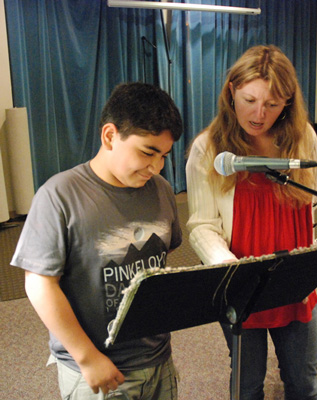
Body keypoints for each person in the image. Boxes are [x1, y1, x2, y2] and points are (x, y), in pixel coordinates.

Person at [11, 82, 183, 400]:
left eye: (164, 155)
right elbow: (39, 284)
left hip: (158, 360)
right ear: (109, 136)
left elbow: (159, 265)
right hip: (97, 369)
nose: (157, 166)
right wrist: (88, 358)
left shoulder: (161, 189)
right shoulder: (59, 195)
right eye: (148, 152)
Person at [186, 45, 317, 400]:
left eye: (273, 104)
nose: (259, 114)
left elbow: (314, 202)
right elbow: (202, 225)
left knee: (304, 385)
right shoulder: (208, 149)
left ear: (288, 103)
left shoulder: (302, 137)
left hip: (295, 282)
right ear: (231, 90)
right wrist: (228, 267)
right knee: (247, 387)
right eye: (249, 100)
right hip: (242, 285)